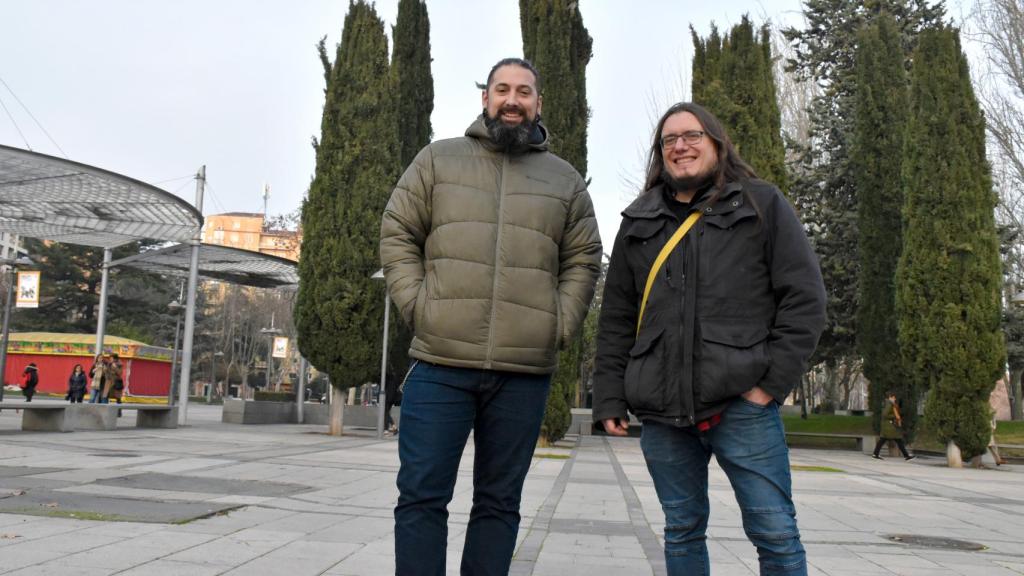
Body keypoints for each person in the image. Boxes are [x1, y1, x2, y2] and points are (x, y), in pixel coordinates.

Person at [380, 57, 602, 575]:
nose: (512, 99)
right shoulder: (438, 160)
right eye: (502, 89)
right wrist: (419, 306)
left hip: (523, 372)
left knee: (499, 504)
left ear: (538, 104)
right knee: (420, 496)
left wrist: (558, 323)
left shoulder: (564, 180)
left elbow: (583, 258)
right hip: (440, 362)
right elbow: (397, 233)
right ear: (486, 97)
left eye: (524, 91)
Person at [593, 102, 827, 576]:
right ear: (660, 155)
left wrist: (769, 387)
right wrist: (610, 398)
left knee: (775, 532)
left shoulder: (762, 204)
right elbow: (617, 317)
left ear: (717, 143)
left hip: (743, 404)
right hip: (662, 410)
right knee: (681, 529)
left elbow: (804, 299)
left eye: (692, 135)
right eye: (669, 140)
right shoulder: (638, 221)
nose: (681, 146)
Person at [872, 391, 915, 461]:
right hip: (889, 427)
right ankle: (906, 456)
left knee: (883, 440)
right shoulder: (889, 404)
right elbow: (885, 415)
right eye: (894, 398)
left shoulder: (887, 403)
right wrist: (894, 416)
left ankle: (875, 454)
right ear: (890, 397)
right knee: (898, 439)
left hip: (887, 426)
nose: (895, 399)